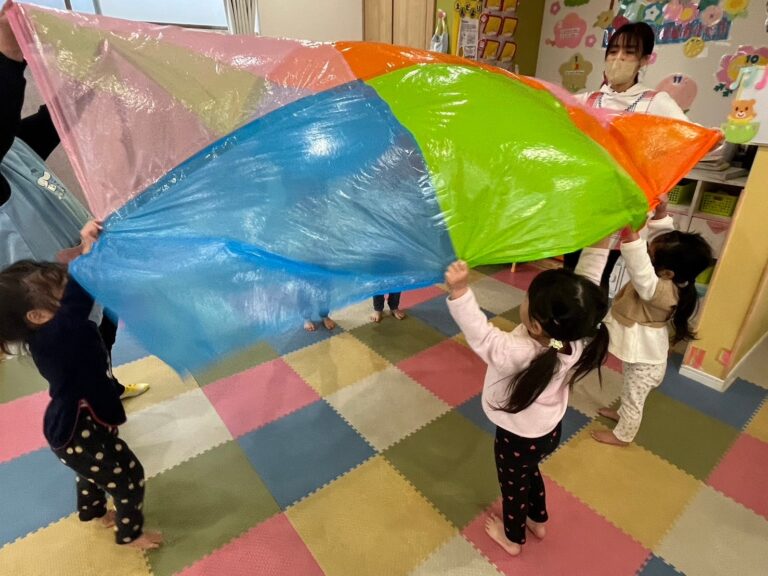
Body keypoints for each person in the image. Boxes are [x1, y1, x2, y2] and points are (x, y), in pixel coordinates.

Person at [0, 5, 148, 398]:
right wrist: (9, 57)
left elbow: (50, 123)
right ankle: (86, 411)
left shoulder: (12, 147)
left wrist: (90, 81)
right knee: (70, 345)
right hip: (39, 289)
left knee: (100, 328)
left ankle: (104, 386)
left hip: (69, 262)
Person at [0, 227, 162, 550]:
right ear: (36, 316)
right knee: (129, 477)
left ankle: (93, 512)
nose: (67, 288)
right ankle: (130, 535)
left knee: (92, 472)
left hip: (79, 424)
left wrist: (87, 252)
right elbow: (77, 302)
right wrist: (88, 254)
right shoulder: (54, 336)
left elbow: (75, 303)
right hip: (78, 429)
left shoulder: (51, 332)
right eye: (58, 290)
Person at [445, 260, 609, 556]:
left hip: (517, 437)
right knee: (529, 472)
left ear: (535, 324)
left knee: (513, 487)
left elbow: (480, 334)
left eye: (526, 299)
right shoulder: (573, 340)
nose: (524, 301)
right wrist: (602, 242)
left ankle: (512, 539)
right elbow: (586, 285)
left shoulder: (516, 351)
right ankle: (538, 520)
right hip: (547, 432)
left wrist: (459, 291)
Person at [562, 21, 689, 285]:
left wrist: (713, 138)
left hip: (620, 207)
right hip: (582, 201)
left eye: (629, 52)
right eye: (613, 50)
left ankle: (589, 323)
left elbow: (687, 136)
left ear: (644, 60)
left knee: (596, 276)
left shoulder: (655, 102)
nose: (619, 58)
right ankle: (562, 323)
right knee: (569, 271)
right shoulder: (588, 99)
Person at [577, 201, 713, 446]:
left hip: (646, 362)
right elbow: (660, 243)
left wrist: (630, 237)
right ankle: (620, 416)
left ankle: (623, 435)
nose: (648, 253)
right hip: (641, 356)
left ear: (667, 272)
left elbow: (639, 266)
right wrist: (660, 215)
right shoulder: (673, 278)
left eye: (651, 255)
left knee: (632, 399)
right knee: (628, 389)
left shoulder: (659, 291)